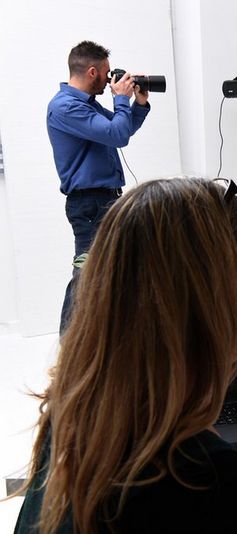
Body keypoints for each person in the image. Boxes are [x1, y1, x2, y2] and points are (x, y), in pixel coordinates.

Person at [14, 178, 237, 533]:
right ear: (214, 305)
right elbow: (203, 475)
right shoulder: (227, 493)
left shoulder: (72, 419)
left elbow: (177, 463)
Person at [47, 41, 151, 333]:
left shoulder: (87, 105)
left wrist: (138, 103)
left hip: (105, 200)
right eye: (106, 74)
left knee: (114, 272)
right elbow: (117, 135)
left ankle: (103, 342)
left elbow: (123, 129)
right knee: (86, 276)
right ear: (92, 71)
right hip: (90, 205)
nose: (109, 81)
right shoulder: (65, 107)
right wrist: (120, 99)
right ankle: (70, 348)